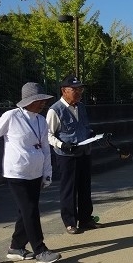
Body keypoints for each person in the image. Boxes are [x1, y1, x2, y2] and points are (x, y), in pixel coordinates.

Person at [0, 83, 61, 263]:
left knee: (25, 211)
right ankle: (40, 250)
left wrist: (47, 172)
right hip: (16, 173)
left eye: (43, 100)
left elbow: (45, 148)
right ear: (28, 101)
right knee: (30, 210)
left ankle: (16, 246)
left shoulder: (40, 120)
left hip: (35, 173)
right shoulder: (11, 116)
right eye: (39, 100)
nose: (43, 103)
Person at [46, 75, 98, 234]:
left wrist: (91, 134)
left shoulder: (81, 106)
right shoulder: (55, 110)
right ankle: (70, 222)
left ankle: (85, 219)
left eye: (80, 89)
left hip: (84, 152)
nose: (78, 92)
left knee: (85, 186)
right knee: (69, 188)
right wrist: (62, 144)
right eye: (74, 89)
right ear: (64, 91)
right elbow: (48, 134)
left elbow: (84, 126)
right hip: (67, 155)